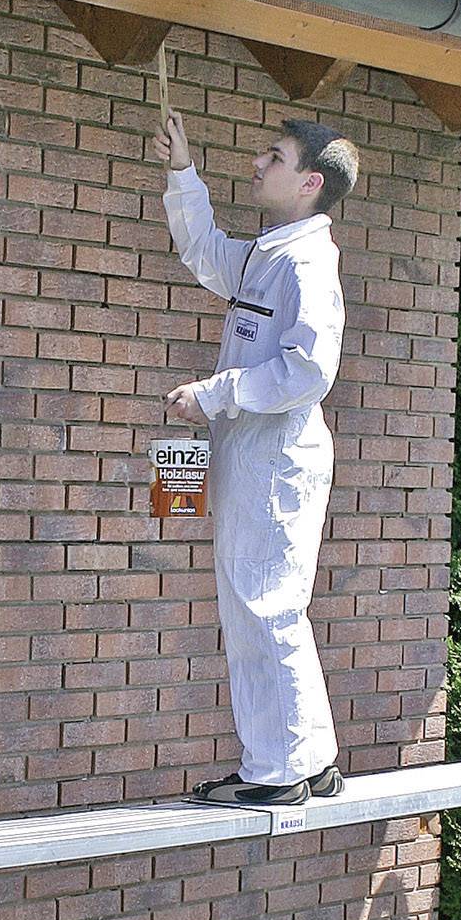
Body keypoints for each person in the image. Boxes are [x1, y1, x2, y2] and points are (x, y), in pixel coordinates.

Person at [152, 108, 358, 807]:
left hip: (275, 462)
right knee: (268, 608)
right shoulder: (271, 255)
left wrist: (215, 394)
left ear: (308, 182)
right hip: (258, 458)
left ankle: (278, 772)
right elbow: (204, 251)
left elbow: (308, 372)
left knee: (263, 608)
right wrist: (182, 171)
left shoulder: (306, 265)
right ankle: (311, 759)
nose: (257, 164)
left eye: (274, 157)